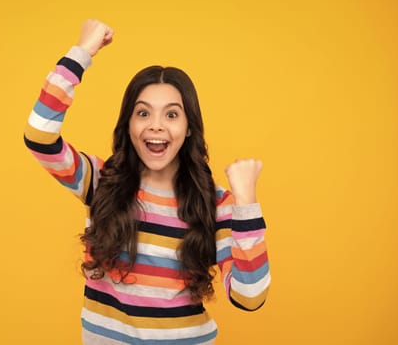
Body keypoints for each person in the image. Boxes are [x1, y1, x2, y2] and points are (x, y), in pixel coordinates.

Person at [24, 19, 271, 345]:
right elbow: (40, 136)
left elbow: (249, 297)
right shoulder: (99, 181)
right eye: (143, 113)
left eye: (171, 114)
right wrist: (82, 52)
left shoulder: (217, 205)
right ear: (128, 124)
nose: (156, 126)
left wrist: (247, 204)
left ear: (189, 128)